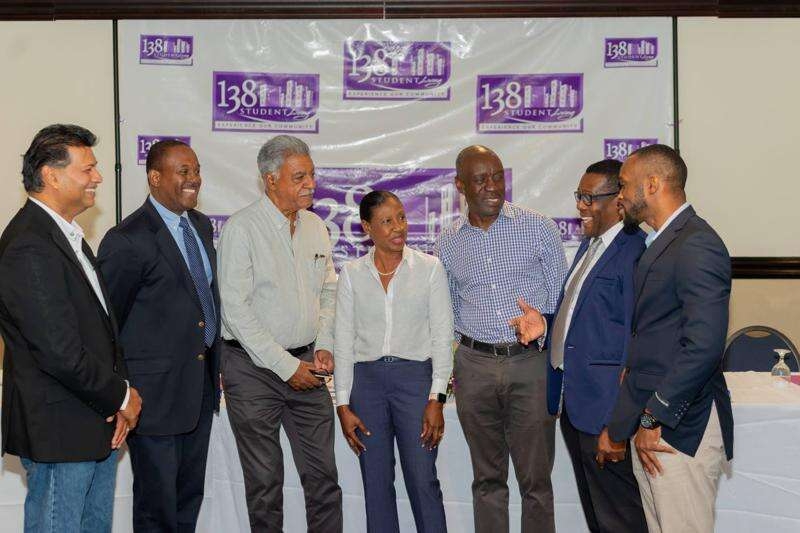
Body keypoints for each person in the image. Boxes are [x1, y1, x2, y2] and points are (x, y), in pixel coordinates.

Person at [0, 124, 142, 532]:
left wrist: (117, 401)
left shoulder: (67, 237)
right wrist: (122, 396)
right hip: (61, 429)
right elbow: (59, 350)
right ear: (51, 175)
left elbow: (99, 334)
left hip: (92, 421)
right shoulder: (30, 244)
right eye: (88, 169)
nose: (98, 177)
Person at [434, 145, 567, 533]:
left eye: (497, 176)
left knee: (536, 482)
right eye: (480, 179)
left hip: (530, 364)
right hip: (474, 368)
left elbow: (563, 300)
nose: (492, 186)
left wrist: (541, 320)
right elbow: (450, 311)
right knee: (487, 481)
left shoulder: (539, 227)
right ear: (461, 185)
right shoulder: (447, 243)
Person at [513, 159, 648, 532]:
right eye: (579, 196)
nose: (581, 205)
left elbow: (634, 339)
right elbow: (582, 321)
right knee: (598, 516)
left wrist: (617, 424)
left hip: (605, 411)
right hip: (574, 407)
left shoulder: (633, 251)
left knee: (620, 518)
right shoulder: (590, 245)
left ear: (619, 199)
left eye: (590, 197)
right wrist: (546, 325)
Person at [217, 135, 342, 532]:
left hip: (308, 366)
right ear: (270, 180)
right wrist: (287, 366)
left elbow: (329, 290)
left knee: (324, 480)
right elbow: (236, 310)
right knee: (265, 486)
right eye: (299, 176)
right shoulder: (242, 229)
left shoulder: (316, 226)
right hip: (252, 372)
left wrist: (323, 346)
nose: (311, 184)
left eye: (312, 175)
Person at [606, 144, 734, 533]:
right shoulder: (664, 241)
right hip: (657, 428)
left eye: (625, 185)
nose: (621, 196)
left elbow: (705, 346)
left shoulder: (696, 243)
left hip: (678, 429)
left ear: (654, 184)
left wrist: (654, 415)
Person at [97, 140, 220, 532]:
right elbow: (107, 324)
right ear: (154, 177)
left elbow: (202, 303)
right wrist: (120, 391)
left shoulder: (200, 226)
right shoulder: (127, 239)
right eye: (184, 171)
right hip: (152, 397)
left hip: (198, 390)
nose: (194, 179)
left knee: (188, 498)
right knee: (157, 507)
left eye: (196, 170)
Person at [334, 190, 453, 533]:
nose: (398, 227)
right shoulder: (353, 274)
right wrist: (343, 404)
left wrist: (437, 397)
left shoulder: (429, 269)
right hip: (366, 384)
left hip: (415, 381)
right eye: (386, 221)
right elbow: (343, 342)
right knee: (376, 483)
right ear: (367, 227)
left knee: (422, 480)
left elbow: (441, 338)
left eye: (401, 217)